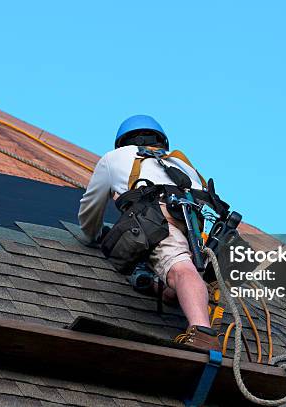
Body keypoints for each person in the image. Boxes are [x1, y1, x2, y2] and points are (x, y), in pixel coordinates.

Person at [79, 115, 221, 352]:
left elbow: (90, 209)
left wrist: (93, 235)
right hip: (194, 224)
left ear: (122, 142)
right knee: (184, 271)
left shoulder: (114, 158)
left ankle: (201, 331)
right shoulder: (181, 163)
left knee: (179, 268)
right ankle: (167, 292)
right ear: (161, 141)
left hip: (156, 216)